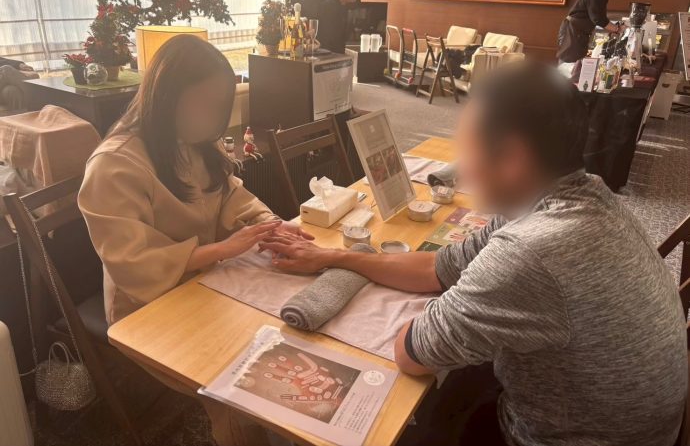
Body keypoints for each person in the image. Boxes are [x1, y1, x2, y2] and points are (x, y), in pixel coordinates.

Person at [258, 62, 688, 445]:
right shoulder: (577, 195)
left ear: (513, 158)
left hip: (555, 435)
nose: (461, 167)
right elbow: (438, 267)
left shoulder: (529, 252)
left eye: (468, 149)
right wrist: (335, 257)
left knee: (397, 417)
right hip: (619, 419)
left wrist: (452, 307)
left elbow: (411, 352)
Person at [78, 35, 313, 325]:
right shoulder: (114, 165)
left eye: (219, 106)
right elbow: (134, 264)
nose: (212, 118)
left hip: (206, 280)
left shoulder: (199, 142)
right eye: (203, 103)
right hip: (147, 308)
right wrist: (222, 249)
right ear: (166, 97)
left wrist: (270, 226)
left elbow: (233, 196)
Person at [557, 0, 623, 63]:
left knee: (577, 63)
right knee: (569, 62)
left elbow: (599, 16)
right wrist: (617, 29)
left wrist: (615, 28)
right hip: (573, 31)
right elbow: (598, 18)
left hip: (578, 31)